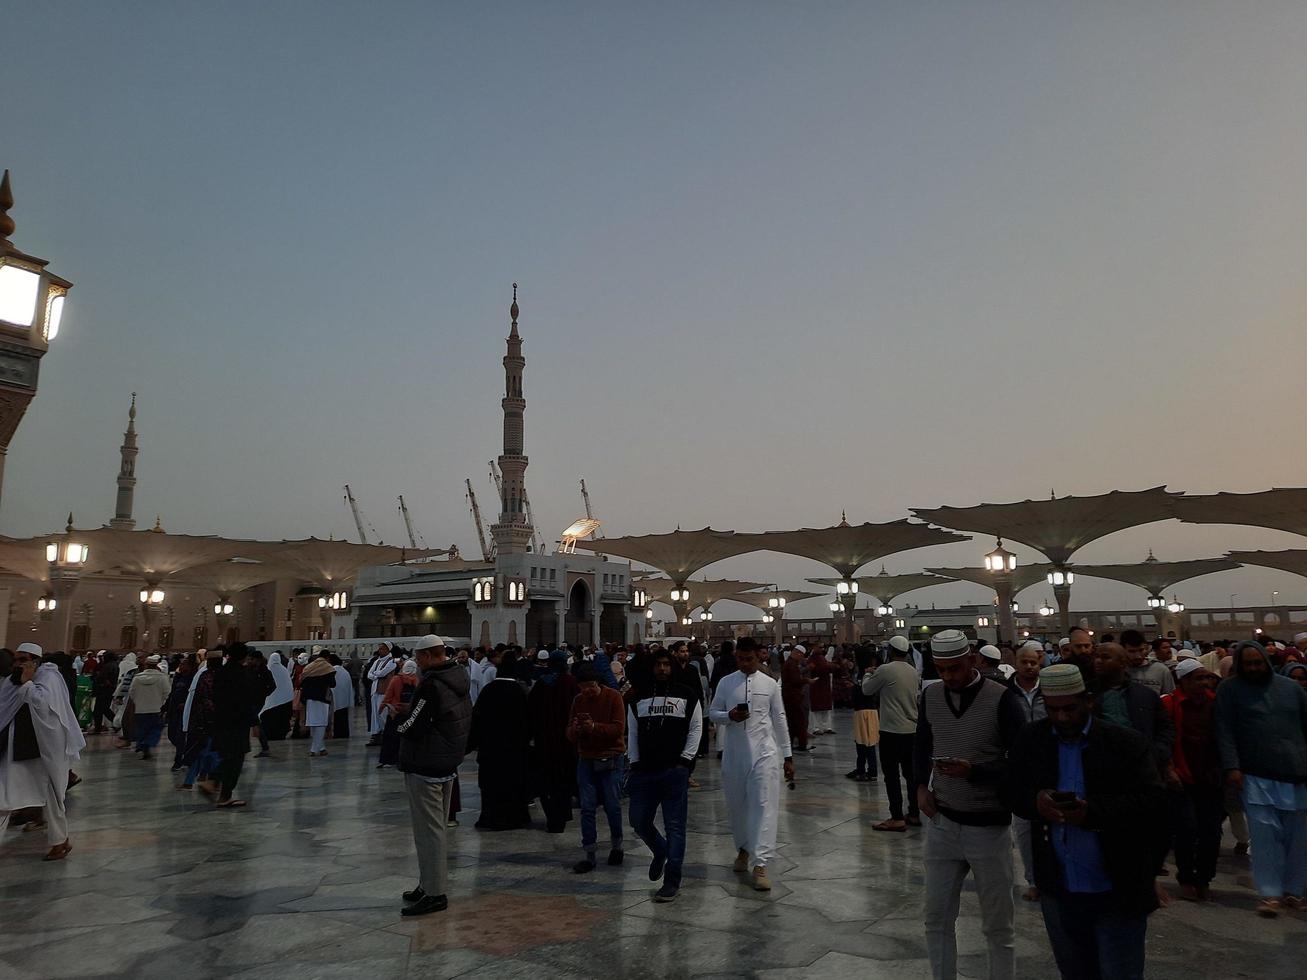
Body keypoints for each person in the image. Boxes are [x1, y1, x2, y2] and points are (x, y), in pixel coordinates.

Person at [1006, 664, 1163, 980]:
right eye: (1053, 710)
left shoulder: (1124, 744)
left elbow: (1153, 805)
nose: (1062, 718)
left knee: (1120, 971)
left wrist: (1091, 812)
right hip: (1059, 885)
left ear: (1088, 701)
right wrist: (1036, 802)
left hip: (1116, 885)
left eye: (1070, 709)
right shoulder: (1032, 740)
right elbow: (1011, 790)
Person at [914, 629, 1017, 980]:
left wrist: (975, 771)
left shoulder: (1001, 698)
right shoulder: (930, 696)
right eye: (941, 669)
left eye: (955, 668)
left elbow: (1021, 761)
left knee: (997, 924)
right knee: (936, 918)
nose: (948, 677)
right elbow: (921, 745)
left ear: (972, 658)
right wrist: (919, 788)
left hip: (988, 827)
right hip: (943, 822)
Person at [1215, 639, 1307, 917]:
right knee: (1265, 836)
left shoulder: (1291, 689)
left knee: (1299, 836)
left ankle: (1295, 890)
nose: (1254, 668)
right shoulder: (1229, 690)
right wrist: (1232, 766)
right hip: (1255, 774)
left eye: (1258, 663)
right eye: (1248, 664)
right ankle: (1270, 894)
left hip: (1296, 772)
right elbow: (1224, 730)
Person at [708, 637, 794, 892]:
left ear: (759, 657)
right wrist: (729, 716)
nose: (745, 664)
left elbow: (779, 719)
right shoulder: (726, 683)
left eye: (750, 659)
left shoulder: (769, 685)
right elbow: (713, 713)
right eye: (741, 659)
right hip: (735, 755)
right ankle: (744, 848)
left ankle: (761, 863)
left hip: (765, 755)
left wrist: (788, 756)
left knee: (763, 805)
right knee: (738, 807)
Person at [395, 635, 472, 917]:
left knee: (429, 832)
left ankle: (436, 892)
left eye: (418, 658)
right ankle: (427, 883)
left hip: (426, 763)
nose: (416, 663)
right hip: (446, 762)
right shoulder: (458, 676)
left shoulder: (431, 685)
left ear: (427, 657)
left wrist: (397, 725)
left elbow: (415, 724)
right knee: (435, 828)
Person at [627, 647, 702, 902]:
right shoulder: (639, 698)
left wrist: (684, 762)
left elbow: (695, 728)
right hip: (645, 771)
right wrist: (634, 762)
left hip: (674, 772)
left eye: (666, 665)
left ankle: (672, 880)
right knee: (638, 820)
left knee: (675, 827)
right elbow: (633, 732)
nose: (662, 669)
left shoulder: (686, 695)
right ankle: (660, 850)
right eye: (658, 665)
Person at [0, 643, 85, 860]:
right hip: (16, 750)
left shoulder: (50, 679)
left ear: (35, 660)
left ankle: (60, 841)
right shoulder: (13, 680)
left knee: (52, 798)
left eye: (22, 660)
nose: (17, 664)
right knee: (4, 797)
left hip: (44, 751)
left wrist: (28, 683)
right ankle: (60, 841)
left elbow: (44, 706)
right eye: (16, 660)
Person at [1161, 659, 1223, 903]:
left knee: (1211, 832)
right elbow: (1164, 739)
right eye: (1198, 678)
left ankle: (1204, 878)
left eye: (1207, 678)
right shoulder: (1169, 704)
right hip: (1182, 775)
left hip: (1209, 775)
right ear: (1183, 681)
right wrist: (1169, 769)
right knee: (1186, 829)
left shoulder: (1214, 703)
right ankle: (1186, 878)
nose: (1205, 683)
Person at [567, 663, 627, 874]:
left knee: (612, 805)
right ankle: (589, 853)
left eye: (591, 686)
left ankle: (617, 845)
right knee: (587, 807)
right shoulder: (578, 701)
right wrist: (575, 730)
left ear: (598, 683)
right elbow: (569, 733)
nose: (588, 691)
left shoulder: (613, 697)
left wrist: (594, 728)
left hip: (611, 757)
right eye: (583, 687)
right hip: (586, 758)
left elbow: (619, 728)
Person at [466, 649, 531, 830]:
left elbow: (476, 720)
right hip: (515, 750)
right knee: (513, 784)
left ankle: (490, 817)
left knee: (490, 786)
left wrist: (469, 745)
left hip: (491, 750)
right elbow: (529, 721)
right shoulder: (520, 692)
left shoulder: (488, 691)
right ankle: (515, 818)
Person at [863, 636, 920, 831]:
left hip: (891, 731)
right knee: (911, 775)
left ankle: (897, 817)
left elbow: (867, 690)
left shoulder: (886, 669)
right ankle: (914, 813)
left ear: (890, 651)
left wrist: (868, 674)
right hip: (911, 730)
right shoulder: (913, 671)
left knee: (892, 775)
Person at [1008, 640, 1047, 900]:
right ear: (1016, 663)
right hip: (1020, 766)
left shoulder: (1050, 690)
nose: (1030, 667)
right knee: (1023, 827)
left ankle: (1052, 877)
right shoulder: (1005, 692)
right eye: (1025, 662)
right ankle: (1034, 880)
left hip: (1048, 762)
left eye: (1034, 662)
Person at [527, 649, 578, 833]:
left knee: (548, 783)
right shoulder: (571, 683)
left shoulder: (542, 684)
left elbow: (531, 711)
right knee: (564, 781)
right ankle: (563, 815)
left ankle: (553, 818)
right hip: (566, 743)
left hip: (545, 743)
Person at [210, 644, 261, 808]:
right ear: (243, 657)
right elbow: (247, 701)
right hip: (238, 723)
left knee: (226, 754)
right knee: (235, 758)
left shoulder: (220, 672)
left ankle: (215, 784)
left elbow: (215, 696)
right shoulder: (242, 675)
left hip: (221, 720)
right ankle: (222, 792)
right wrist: (254, 723)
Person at [847, 645, 879, 783]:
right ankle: (860, 769)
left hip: (866, 710)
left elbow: (868, 691)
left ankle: (871, 772)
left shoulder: (868, 672)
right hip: (861, 710)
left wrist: (855, 688)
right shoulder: (861, 671)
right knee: (860, 741)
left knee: (868, 743)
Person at [378, 660, 420, 769]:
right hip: (409, 713)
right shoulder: (416, 680)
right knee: (406, 737)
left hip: (395, 712)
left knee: (391, 737)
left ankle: (389, 759)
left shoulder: (396, 679)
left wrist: (382, 707)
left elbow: (388, 695)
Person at [127, 653, 169, 760]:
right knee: (155, 728)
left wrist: (138, 701)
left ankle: (142, 745)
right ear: (156, 666)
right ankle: (148, 744)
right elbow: (167, 692)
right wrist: (161, 702)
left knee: (141, 729)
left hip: (140, 709)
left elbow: (132, 692)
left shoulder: (137, 678)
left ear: (146, 665)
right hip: (156, 708)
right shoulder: (162, 678)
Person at [299, 652, 335, 758]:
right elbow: (333, 683)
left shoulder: (309, 667)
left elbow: (302, 681)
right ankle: (314, 749)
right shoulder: (328, 667)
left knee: (313, 723)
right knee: (321, 723)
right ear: (327, 657)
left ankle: (321, 748)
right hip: (322, 698)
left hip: (309, 699)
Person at [166, 654, 197, 770]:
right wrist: (165, 708)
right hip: (174, 710)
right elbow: (172, 693)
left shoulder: (193, 679)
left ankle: (178, 759)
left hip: (185, 713)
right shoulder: (178, 677)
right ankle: (184, 751)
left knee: (180, 736)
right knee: (171, 735)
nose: (181, 666)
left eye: (184, 664)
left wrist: (186, 704)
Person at [1122, 629, 1174, 697]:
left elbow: (1170, 697)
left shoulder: (1161, 670)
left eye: (1141, 650)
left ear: (1146, 648)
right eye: (1132, 651)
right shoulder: (1119, 671)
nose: (1138, 656)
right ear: (1122, 650)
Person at [259, 652, 295, 746]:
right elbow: (288, 686)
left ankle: (269, 735)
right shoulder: (284, 670)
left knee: (269, 719)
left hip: (271, 701)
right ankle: (280, 734)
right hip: (285, 701)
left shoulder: (268, 669)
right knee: (281, 720)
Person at [780, 645, 811, 753]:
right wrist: (807, 680)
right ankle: (802, 744)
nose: (802, 658)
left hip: (790, 696)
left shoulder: (790, 663)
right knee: (798, 721)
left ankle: (792, 743)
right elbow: (795, 681)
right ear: (798, 653)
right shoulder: (791, 665)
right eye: (801, 656)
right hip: (792, 697)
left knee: (792, 722)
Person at [366, 644, 397, 745]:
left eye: (382, 649)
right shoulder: (377, 661)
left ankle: (385, 733)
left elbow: (383, 673)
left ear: (388, 650)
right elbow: (369, 675)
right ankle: (376, 734)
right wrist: (376, 675)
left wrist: (375, 674)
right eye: (379, 649)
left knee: (383, 714)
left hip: (384, 691)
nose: (380, 651)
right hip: (375, 691)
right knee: (375, 715)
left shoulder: (392, 661)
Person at [807, 646, 835, 735]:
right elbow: (813, 669)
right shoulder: (811, 659)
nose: (821, 649)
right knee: (816, 708)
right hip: (816, 685)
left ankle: (826, 727)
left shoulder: (822, 658)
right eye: (819, 647)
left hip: (824, 685)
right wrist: (828, 666)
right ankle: (816, 727)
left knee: (826, 707)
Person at [330, 654, 353, 739]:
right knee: (343, 716)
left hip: (337, 698)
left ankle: (338, 733)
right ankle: (343, 733)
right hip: (344, 698)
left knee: (338, 717)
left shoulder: (333, 670)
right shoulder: (344, 671)